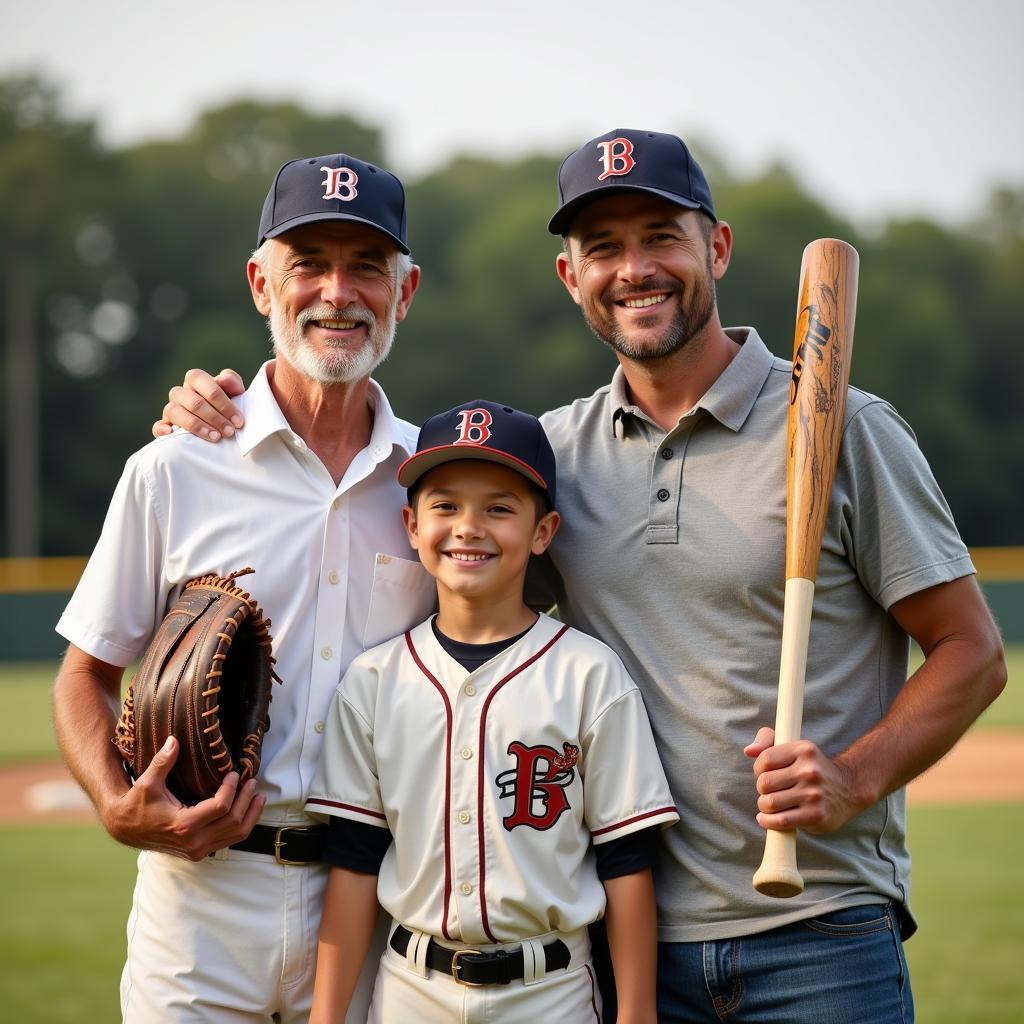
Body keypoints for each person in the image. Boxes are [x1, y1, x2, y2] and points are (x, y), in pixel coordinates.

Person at [153, 128, 1007, 1023]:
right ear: (571, 277)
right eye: (603, 247)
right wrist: (217, 413)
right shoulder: (555, 455)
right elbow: (454, 515)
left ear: (715, 247)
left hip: (817, 933)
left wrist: (854, 779)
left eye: (659, 237)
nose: (634, 268)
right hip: (630, 934)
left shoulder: (842, 429)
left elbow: (972, 653)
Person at [53, 151, 438, 1023]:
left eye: (367, 266)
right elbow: (85, 674)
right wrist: (116, 805)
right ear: (261, 284)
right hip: (201, 902)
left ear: (404, 292)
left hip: (378, 899)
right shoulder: (174, 466)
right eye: (308, 264)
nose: (338, 292)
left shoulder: (435, 484)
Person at [305, 399, 678, 1023]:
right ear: (410, 524)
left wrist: (635, 1016)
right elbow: (355, 861)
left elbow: (627, 862)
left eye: (499, 508)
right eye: (445, 505)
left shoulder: (588, 673)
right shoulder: (373, 681)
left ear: (543, 532)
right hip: (410, 992)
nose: (468, 527)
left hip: (550, 992)